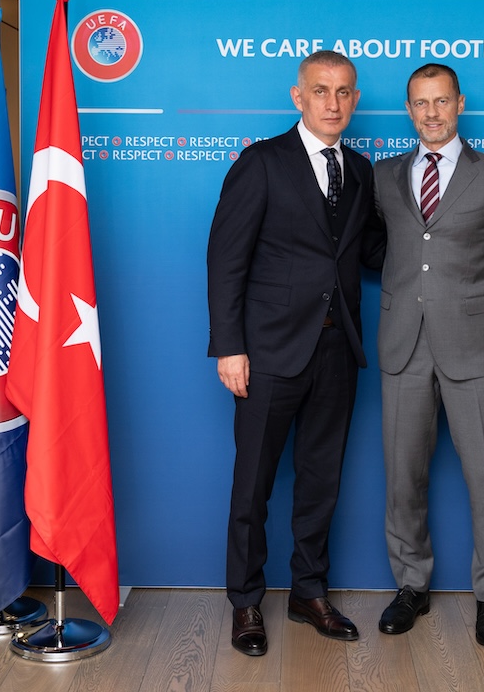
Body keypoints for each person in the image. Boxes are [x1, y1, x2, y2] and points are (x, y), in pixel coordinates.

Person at [207, 50, 381, 656]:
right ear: (298, 97)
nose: (333, 103)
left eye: (344, 92)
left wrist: (441, 237)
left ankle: (309, 592)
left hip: (338, 350)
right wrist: (230, 347)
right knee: (252, 485)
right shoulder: (261, 162)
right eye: (321, 91)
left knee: (320, 482)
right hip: (268, 353)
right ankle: (245, 601)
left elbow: (373, 251)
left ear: (355, 100)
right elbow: (225, 259)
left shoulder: (361, 170)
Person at [373, 63, 484, 647]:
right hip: (403, 345)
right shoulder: (383, 176)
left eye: (441, 101)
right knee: (402, 478)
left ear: (459, 104)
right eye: (420, 103)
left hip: (477, 351)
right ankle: (411, 586)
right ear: (408, 109)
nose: (431, 113)